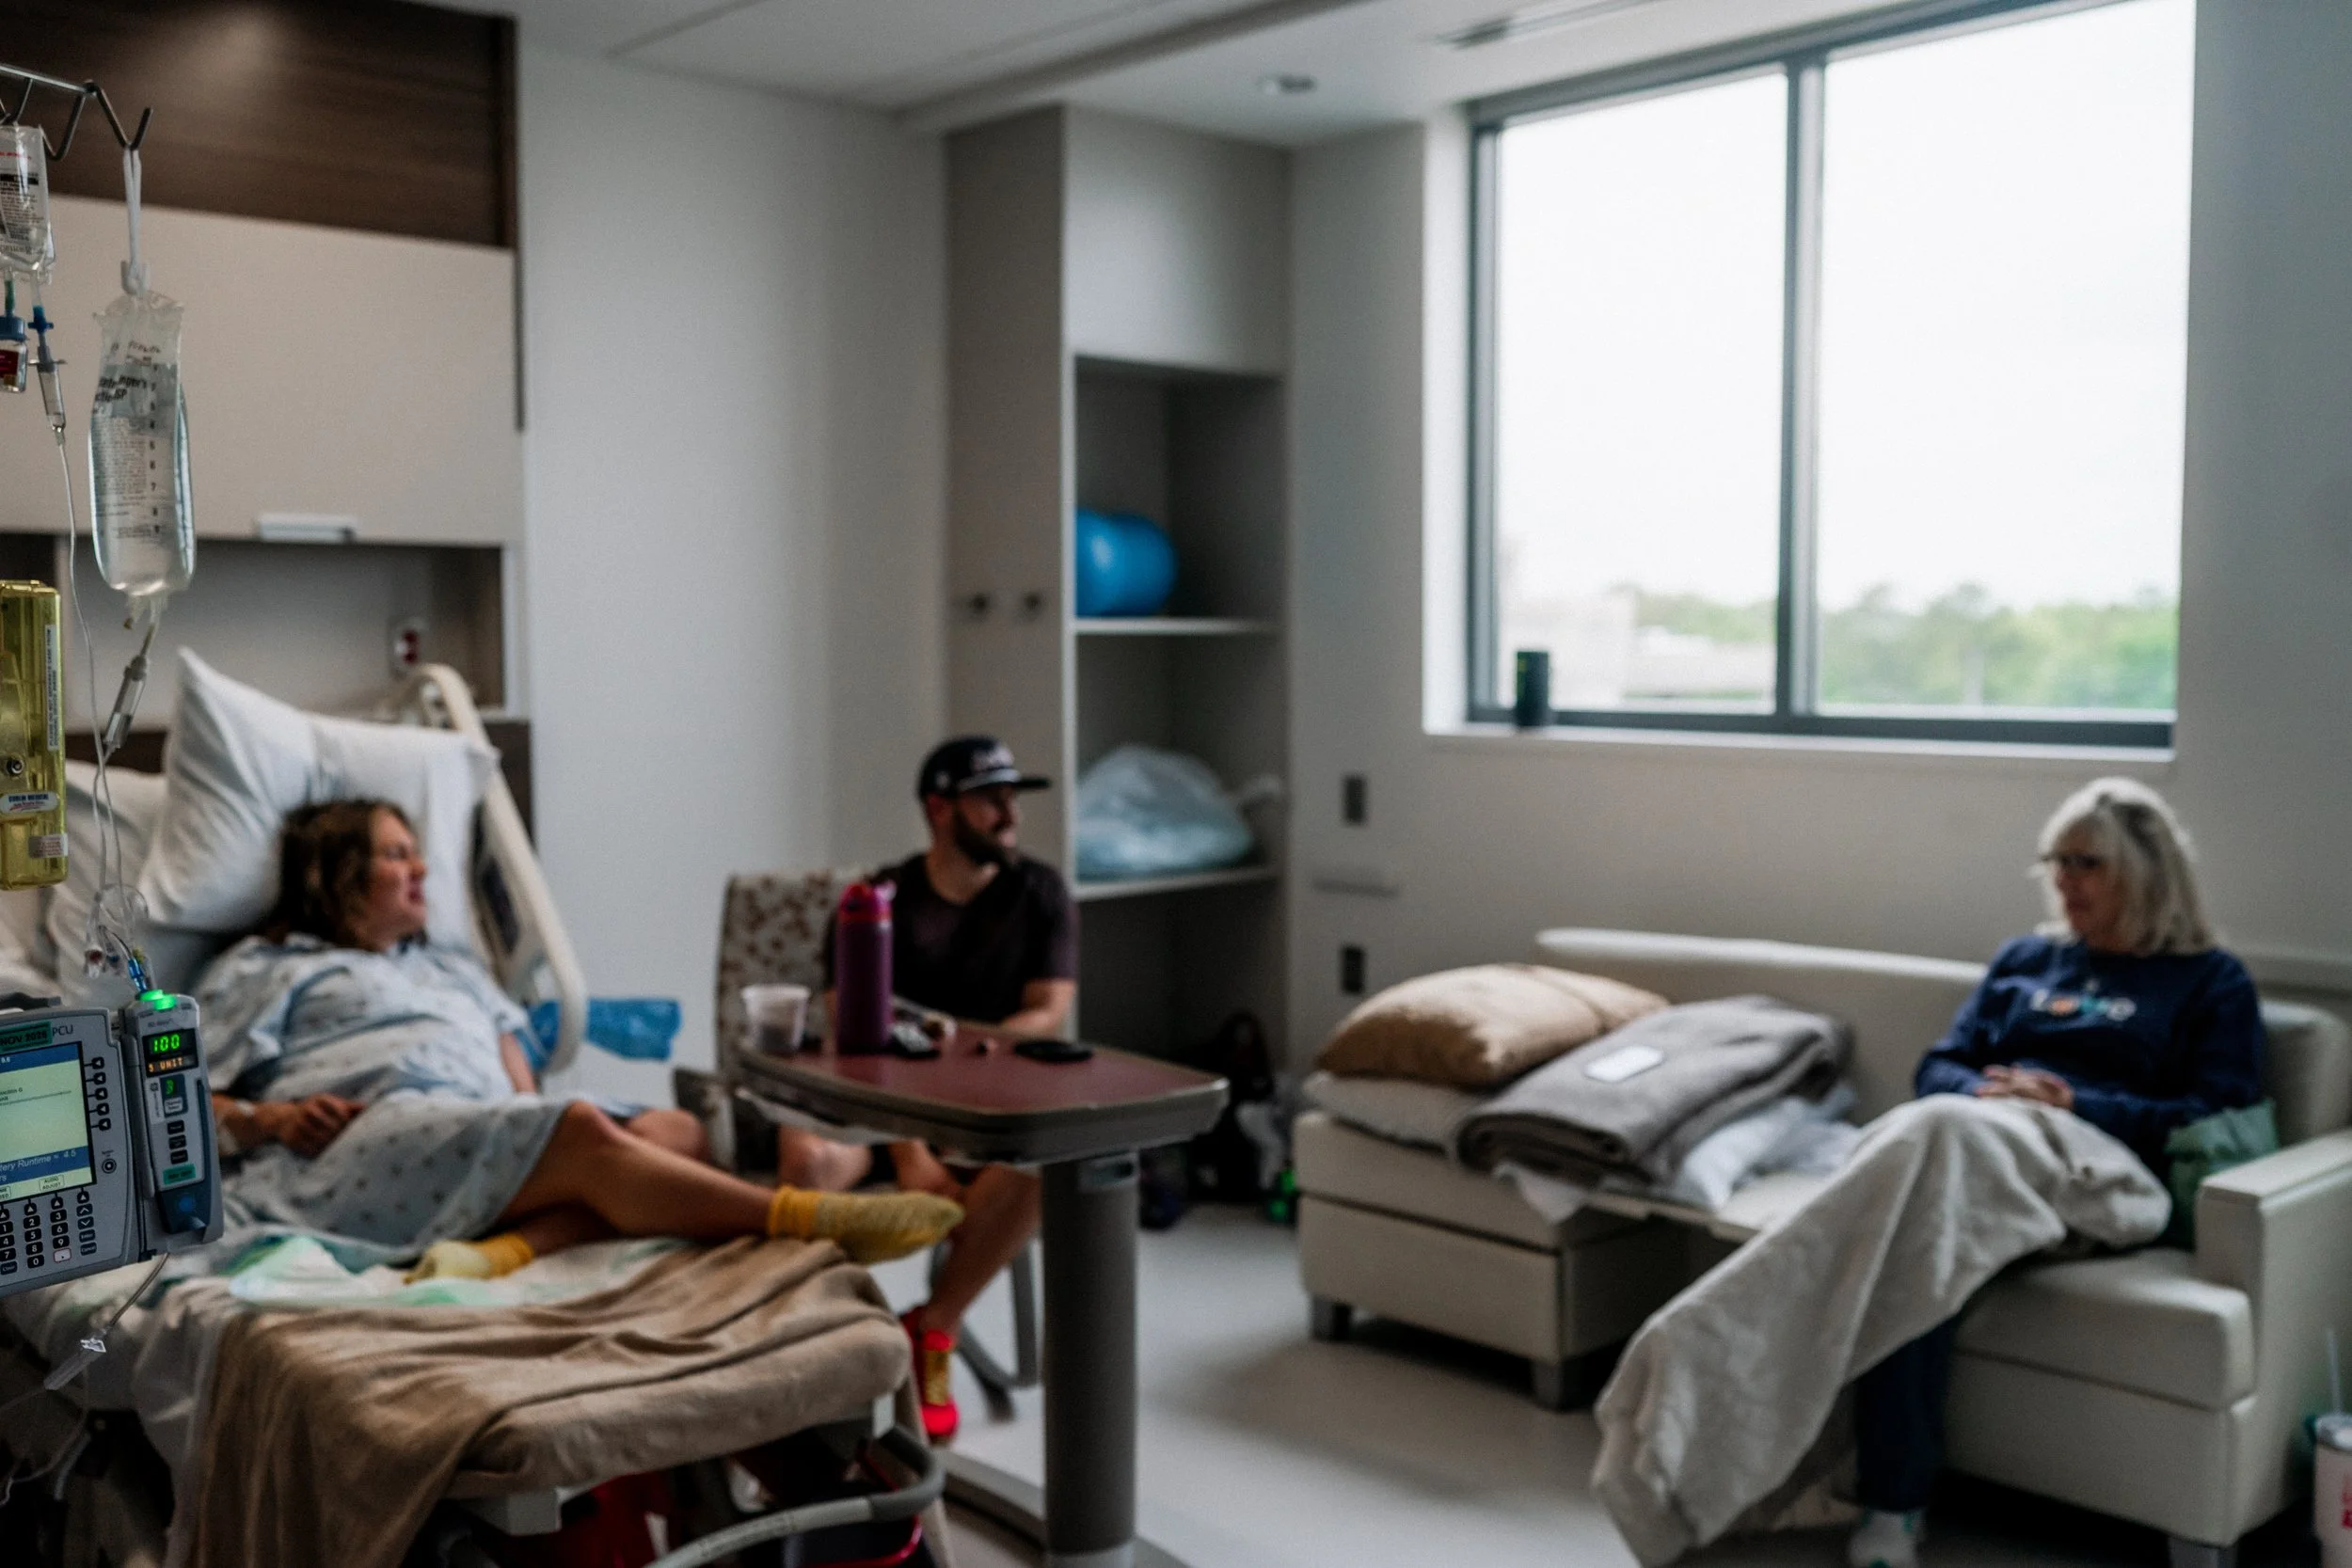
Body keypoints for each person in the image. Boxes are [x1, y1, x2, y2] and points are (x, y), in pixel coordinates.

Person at [201, 800, 963, 1278]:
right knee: (580, 1131)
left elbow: (518, 1089)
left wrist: (532, 1131)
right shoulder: (268, 967)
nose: (422, 868)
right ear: (335, 874)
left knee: (677, 1127)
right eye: (396, 853)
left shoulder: (455, 968)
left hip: (469, 1129)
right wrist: (265, 1119)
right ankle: (802, 1220)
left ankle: (507, 1249)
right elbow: (173, 1093)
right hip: (363, 1135)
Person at [1847, 778, 2264, 1568]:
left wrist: (2075, 1100)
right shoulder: (2026, 960)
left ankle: (1885, 1500)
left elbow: (2213, 1116)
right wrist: (1983, 1095)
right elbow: (1940, 1066)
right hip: (1980, 1144)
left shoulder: (2210, 983)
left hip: (2102, 1175)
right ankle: (1888, 1503)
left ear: (2146, 870)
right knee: (1918, 1232)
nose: (2065, 879)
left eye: (2087, 863)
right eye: (2056, 860)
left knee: (1911, 1190)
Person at [777, 736, 1077, 1441]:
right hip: (872, 1113)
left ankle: (934, 1325)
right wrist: (909, 1148)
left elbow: (1046, 1009)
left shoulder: (1041, 893)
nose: (1010, 815)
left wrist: (966, 1068)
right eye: (991, 799)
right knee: (807, 1160)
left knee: (1047, 1159)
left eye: (1013, 798)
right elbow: (850, 1028)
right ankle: (809, 1343)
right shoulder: (876, 903)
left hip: (980, 1111)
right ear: (939, 809)